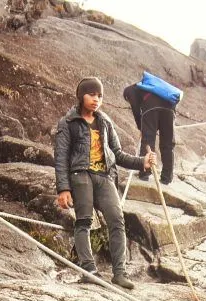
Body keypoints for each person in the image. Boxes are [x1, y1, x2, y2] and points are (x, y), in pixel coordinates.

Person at [54, 77, 156, 290]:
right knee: (84, 221)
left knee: (117, 220)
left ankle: (119, 273)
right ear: (81, 95)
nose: (96, 99)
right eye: (91, 94)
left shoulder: (105, 122)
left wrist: (143, 163)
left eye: (99, 96)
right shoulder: (68, 122)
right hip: (80, 176)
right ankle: (88, 269)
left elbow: (117, 154)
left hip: (105, 177)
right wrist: (63, 189)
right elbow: (61, 157)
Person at [123, 82, 176, 184]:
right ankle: (167, 178)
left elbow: (135, 109)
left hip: (151, 107)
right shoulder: (150, 86)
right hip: (170, 107)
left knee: (148, 140)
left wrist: (141, 127)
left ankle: (145, 173)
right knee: (168, 144)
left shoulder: (129, 90)